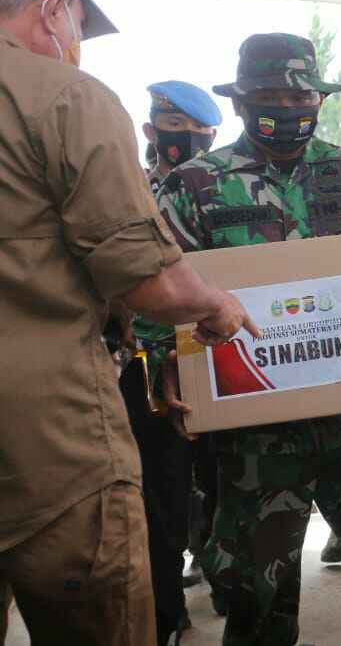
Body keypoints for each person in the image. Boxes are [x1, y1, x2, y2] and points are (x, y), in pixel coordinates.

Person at [152, 32, 341, 646]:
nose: (289, 109)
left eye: (303, 97)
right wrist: (164, 360)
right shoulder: (194, 185)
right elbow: (160, 286)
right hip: (253, 428)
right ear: (240, 102)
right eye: (270, 96)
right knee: (256, 597)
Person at [0, 0, 255, 646]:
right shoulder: (65, 97)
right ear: (53, 6)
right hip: (51, 448)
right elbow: (148, 278)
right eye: (77, 21)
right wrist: (216, 305)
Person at [126, 80, 223, 643]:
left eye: (200, 136)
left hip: (219, 358)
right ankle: (165, 612)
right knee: (160, 496)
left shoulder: (220, 192)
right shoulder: (126, 193)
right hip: (152, 363)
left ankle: (226, 579)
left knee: (223, 484)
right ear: (152, 132)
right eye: (176, 132)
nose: (186, 144)